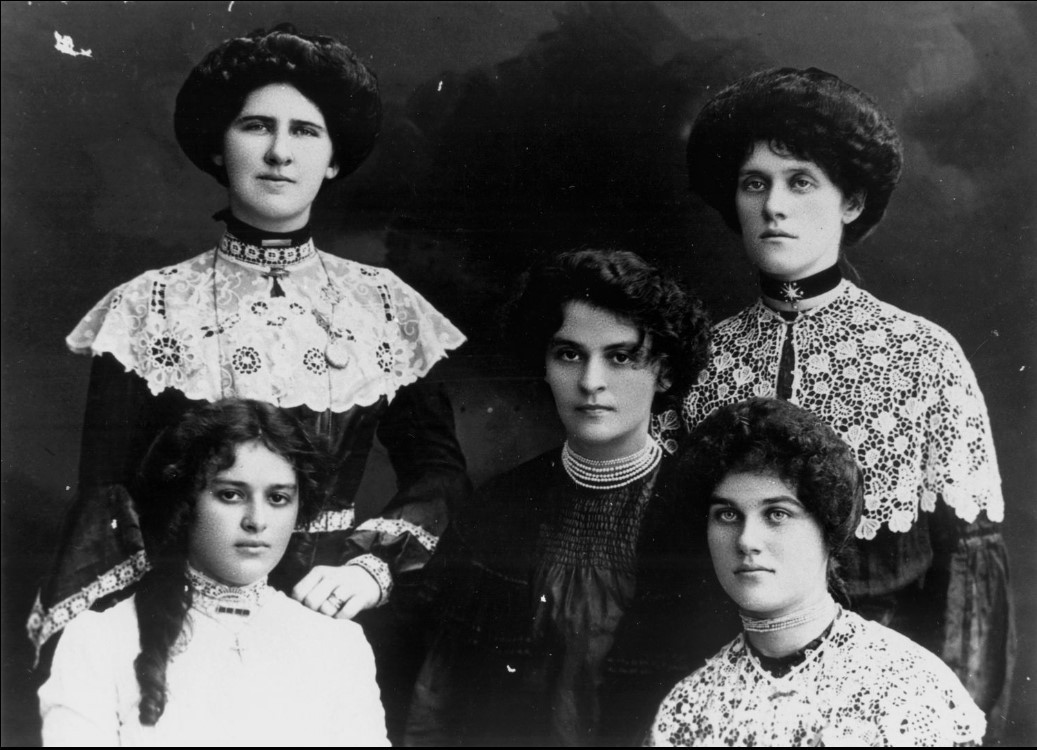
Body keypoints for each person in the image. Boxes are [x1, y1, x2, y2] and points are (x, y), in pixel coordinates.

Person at [28, 25, 468, 660]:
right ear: (218, 148)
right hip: (170, 622)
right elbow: (106, 499)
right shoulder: (146, 307)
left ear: (334, 158)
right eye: (257, 126)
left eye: (305, 132)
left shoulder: (385, 305)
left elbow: (439, 475)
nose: (280, 153)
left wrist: (369, 570)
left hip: (323, 616)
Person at [681, 67, 1012, 728]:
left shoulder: (922, 356)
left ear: (850, 202)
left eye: (800, 181)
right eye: (754, 184)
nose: (773, 205)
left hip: (882, 713)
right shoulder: (700, 361)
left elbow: (967, 579)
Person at [405, 249, 723, 746]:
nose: (590, 382)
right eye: (569, 354)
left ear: (663, 371)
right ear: (545, 364)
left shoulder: (704, 516)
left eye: (620, 356)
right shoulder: (497, 509)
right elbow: (438, 704)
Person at [38, 399, 389, 746]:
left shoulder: (338, 647)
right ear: (185, 503)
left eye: (278, 498)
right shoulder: (100, 640)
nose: (257, 520)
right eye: (231, 494)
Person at [648, 398, 986, 747]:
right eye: (727, 515)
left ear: (827, 526)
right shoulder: (687, 710)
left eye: (777, 514)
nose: (747, 540)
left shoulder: (909, 687)